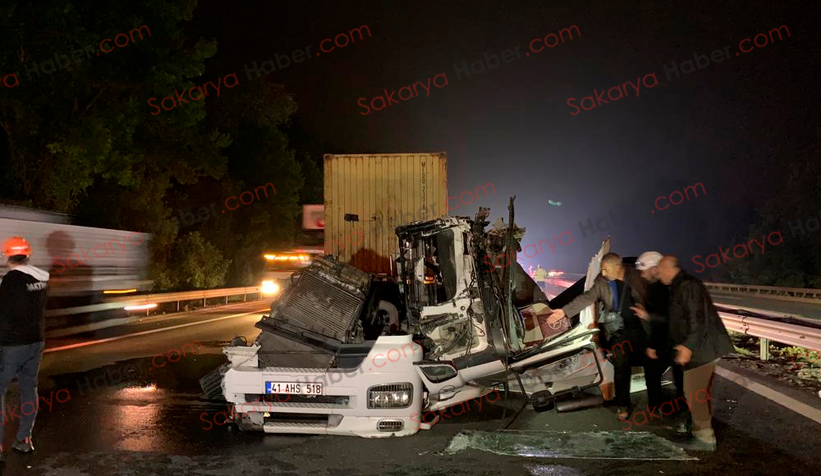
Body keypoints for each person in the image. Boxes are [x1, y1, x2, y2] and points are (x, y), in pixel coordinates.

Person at [546, 253, 646, 420]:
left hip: (640, 329)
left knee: (651, 362)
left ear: (617, 267)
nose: (604, 273)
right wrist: (564, 312)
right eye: (602, 270)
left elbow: (650, 296)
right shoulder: (602, 282)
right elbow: (587, 298)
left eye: (606, 269)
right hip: (617, 330)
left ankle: (658, 402)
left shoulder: (636, 277)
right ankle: (623, 406)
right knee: (621, 368)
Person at [653, 255, 734, 452]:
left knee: (693, 391)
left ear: (669, 267)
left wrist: (688, 347)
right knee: (698, 391)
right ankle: (700, 429)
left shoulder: (687, 285)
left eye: (659, 269)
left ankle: (704, 437)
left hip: (702, 348)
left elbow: (697, 318)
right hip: (701, 347)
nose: (657, 274)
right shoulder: (680, 285)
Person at [0, 237, 50, 459]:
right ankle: (24, 440)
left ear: (7, 255)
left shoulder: (10, 281)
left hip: (12, 345)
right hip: (35, 343)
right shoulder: (41, 279)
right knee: (29, 390)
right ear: (28, 255)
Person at [630, 251, 684, 415]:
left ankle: (659, 409)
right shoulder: (663, 286)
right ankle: (675, 410)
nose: (643, 276)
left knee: (659, 374)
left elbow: (668, 319)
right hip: (672, 340)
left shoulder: (663, 288)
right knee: (677, 377)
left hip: (671, 341)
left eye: (645, 271)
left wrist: (647, 317)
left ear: (654, 268)